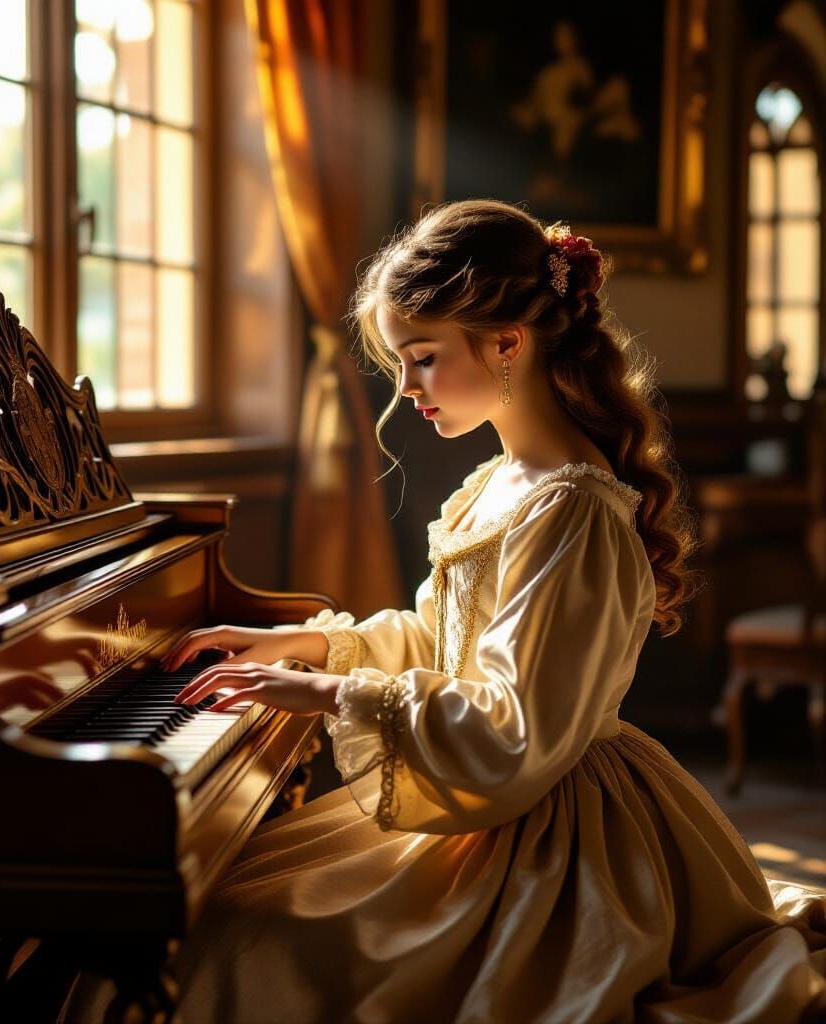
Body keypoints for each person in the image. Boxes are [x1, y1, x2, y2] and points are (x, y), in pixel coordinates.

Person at [165, 200, 826, 1023]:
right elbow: (444, 643)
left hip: (548, 830)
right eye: (402, 363)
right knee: (227, 908)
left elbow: (514, 725)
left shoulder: (570, 510)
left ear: (508, 342)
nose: (406, 389)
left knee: (245, 944)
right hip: (499, 801)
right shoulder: (496, 483)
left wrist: (330, 695)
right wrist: (301, 643)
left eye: (423, 359)